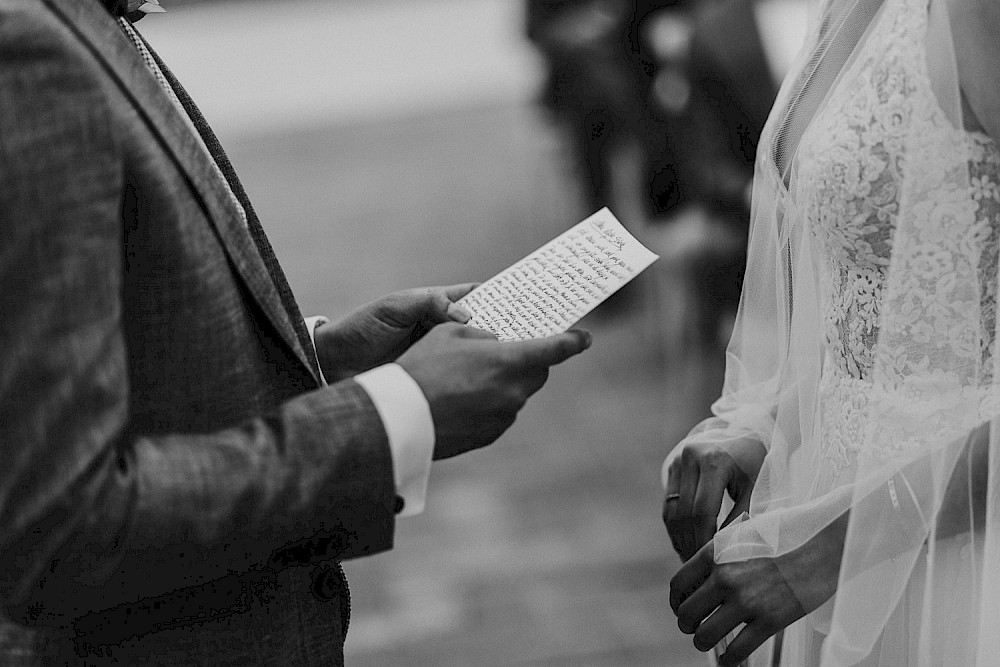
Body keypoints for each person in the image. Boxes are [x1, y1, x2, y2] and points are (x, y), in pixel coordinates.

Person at [0, 0, 592, 663]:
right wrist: (392, 418)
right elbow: (58, 525)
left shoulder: (86, 24)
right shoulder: (28, 49)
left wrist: (311, 360)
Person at [661, 0, 1000, 664]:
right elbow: (874, 309)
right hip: (837, 544)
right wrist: (764, 422)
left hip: (966, 563)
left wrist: (828, 548)